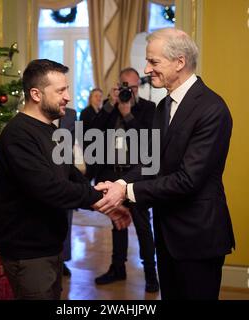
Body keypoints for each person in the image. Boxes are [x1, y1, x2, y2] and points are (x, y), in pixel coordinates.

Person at [94, 28, 235, 300]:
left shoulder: (212, 109)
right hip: (168, 236)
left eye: (154, 62)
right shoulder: (164, 107)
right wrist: (120, 182)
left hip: (198, 239)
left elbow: (188, 180)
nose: (146, 69)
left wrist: (126, 193)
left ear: (179, 62)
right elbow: (152, 161)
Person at [0, 59, 131, 300]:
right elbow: (49, 188)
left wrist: (104, 206)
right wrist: (101, 196)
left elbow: (70, 175)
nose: (67, 96)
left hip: (50, 245)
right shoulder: (18, 134)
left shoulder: (53, 131)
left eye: (66, 89)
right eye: (60, 91)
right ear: (36, 94)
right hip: (28, 251)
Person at [90, 68, 159, 293]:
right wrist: (111, 104)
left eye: (132, 87)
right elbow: (93, 132)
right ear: (118, 86)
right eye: (124, 86)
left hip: (137, 177)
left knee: (142, 226)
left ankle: (150, 273)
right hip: (112, 175)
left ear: (138, 87)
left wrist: (128, 114)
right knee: (117, 223)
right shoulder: (110, 109)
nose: (128, 91)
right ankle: (117, 268)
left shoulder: (148, 108)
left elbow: (147, 142)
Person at [53, 108, 77, 277]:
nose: (66, 96)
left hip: (65, 173)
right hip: (43, 174)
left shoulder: (70, 115)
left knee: (66, 220)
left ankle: (62, 260)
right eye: (61, 91)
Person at [80, 88, 103, 180]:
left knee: (99, 175)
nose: (98, 98)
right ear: (90, 98)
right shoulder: (85, 112)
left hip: (100, 149)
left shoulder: (102, 112)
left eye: (100, 96)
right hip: (89, 148)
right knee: (89, 176)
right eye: (96, 96)